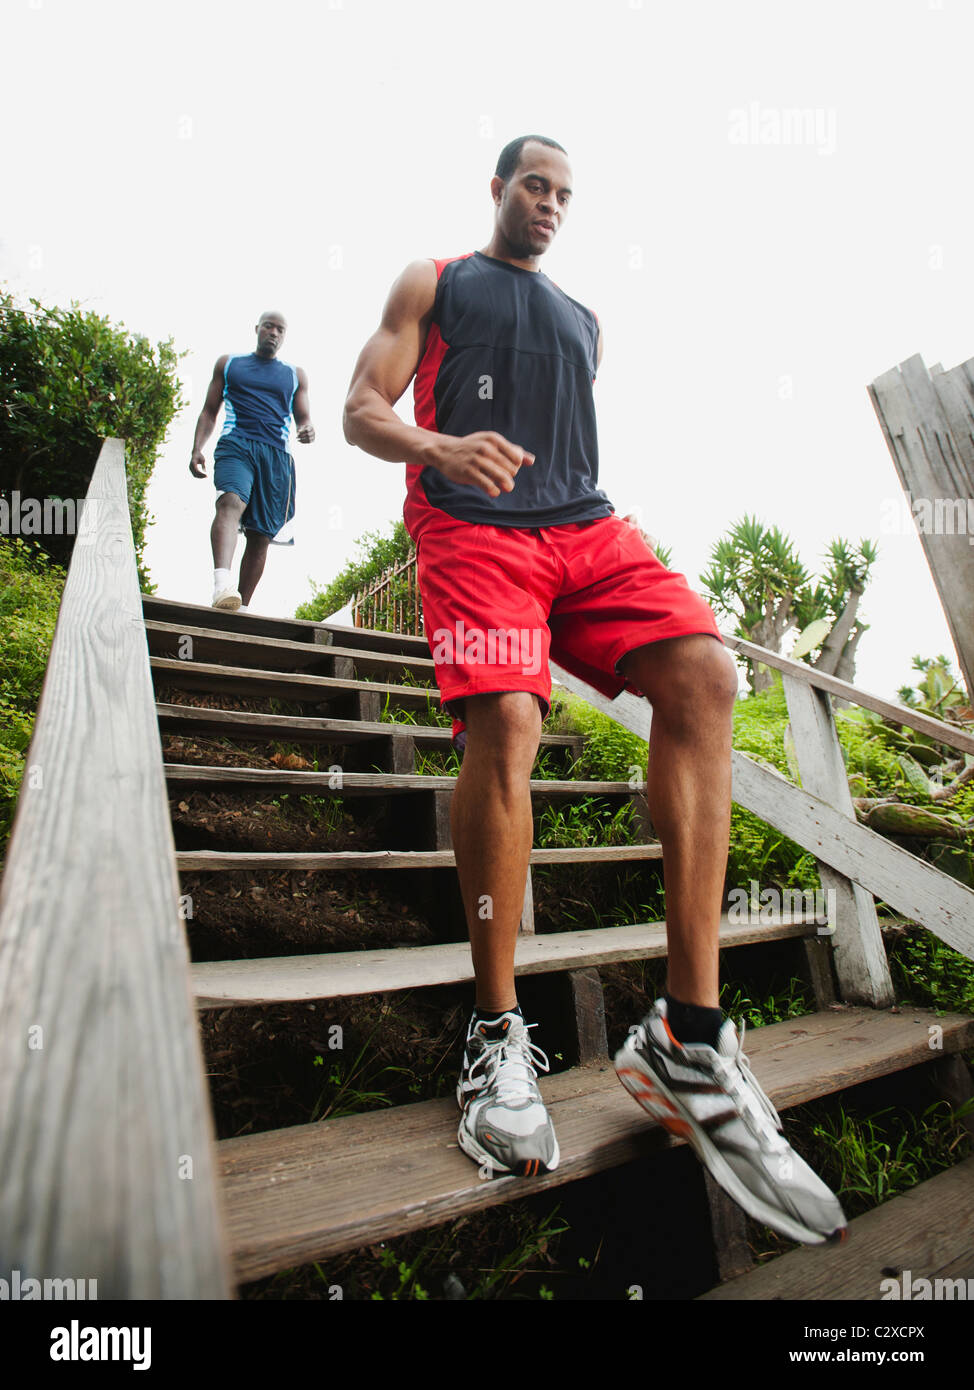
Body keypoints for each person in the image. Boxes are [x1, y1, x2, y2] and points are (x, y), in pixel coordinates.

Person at [342, 135, 846, 1245]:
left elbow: (567, 443)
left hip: (580, 528)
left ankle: (689, 1034)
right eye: (535, 185)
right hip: (469, 528)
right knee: (510, 713)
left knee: (705, 672)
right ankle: (493, 1030)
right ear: (496, 188)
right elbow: (360, 411)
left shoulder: (584, 320)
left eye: (566, 194)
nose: (550, 205)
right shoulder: (432, 281)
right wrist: (437, 443)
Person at [189, 311, 315, 612]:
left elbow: (304, 417)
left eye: (280, 329)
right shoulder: (229, 364)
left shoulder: (294, 374)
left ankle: (240, 606)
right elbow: (209, 410)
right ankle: (222, 584)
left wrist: (307, 428)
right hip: (237, 443)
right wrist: (197, 448)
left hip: (277, 455)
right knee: (230, 501)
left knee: (261, 535)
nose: (273, 332)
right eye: (268, 326)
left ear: (284, 336)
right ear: (257, 328)